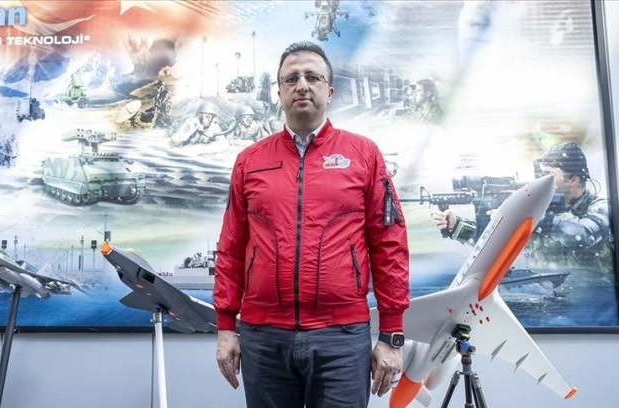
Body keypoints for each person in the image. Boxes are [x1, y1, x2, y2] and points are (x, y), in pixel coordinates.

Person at [214, 41, 410, 407]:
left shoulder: (363, 155)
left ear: (329, 91)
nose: (301, 85)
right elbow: (231, 247)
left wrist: (392, 333)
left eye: (312, 77)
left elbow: (390, 245)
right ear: (279, 92)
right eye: (291, 79)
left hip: (342, 339)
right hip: (264, 338)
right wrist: (226, 326)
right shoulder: (250, 161)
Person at [432, 142, 614, 277]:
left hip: (593, 298)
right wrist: (456, 226)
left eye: (549, 174)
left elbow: (583, 235)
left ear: (573, 179)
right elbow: (495, 242)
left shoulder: (602, 207)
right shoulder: (539, 207)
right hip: (548, 295)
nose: (540, 180)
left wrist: (530, 216)